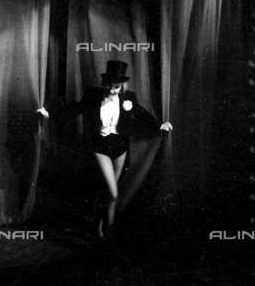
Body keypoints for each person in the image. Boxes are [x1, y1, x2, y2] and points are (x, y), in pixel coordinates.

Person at [37, 60, 173, 239]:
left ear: (122, 86)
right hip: (100, 146)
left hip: (120, 147)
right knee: (113, 193)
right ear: (104, 82)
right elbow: (75, 109)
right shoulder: (93, 96)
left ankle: (105, 231)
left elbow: (141, 114)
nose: (112, 90)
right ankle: (106, 229)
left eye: (116, 87)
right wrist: (49, 114)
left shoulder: (128, 98)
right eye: (109, 85)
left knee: (110, 193)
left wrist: (160, 125)